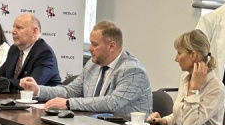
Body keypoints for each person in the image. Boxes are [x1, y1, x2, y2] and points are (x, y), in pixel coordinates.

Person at [20, 20, 151, 117]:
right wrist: (38, 90)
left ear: (111, 46)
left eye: (95, 44)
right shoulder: (93, 64)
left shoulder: (133, 70)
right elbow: (70, 91)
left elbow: (112, 103)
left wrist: (68, 104)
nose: (90, 48)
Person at [147, 29, 225, 125]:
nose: (176, 59)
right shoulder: (185, 78)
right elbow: (181, 114)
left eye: (179, 53)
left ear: (193, 55)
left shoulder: (216, 88)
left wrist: (194, 89)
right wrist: (165, 120)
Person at [0, 13, 60, 90]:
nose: (13, 31)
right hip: (16, 97)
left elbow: (30, 85)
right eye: (13, 27)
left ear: (34, 31)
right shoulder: (14, 49)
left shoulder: (45, 54)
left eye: (19, 28)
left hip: (43, 98)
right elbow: (0, 75)